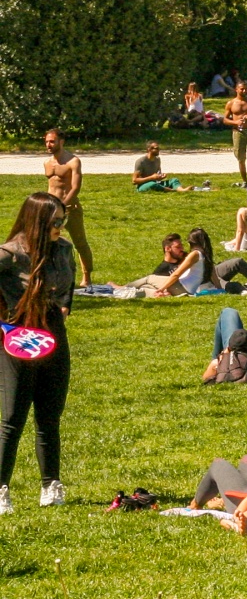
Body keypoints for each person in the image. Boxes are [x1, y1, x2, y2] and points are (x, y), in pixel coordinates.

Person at [0, 192, 76, 511]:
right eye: (55, 222)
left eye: (63, 220)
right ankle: (1, 489)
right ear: (37, 222)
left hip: (52, 334)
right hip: (18, 336)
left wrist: (64, 308)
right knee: (13, 417)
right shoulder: (10, 254)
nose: (60, 227)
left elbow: (68, 289)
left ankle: (50, 485)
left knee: (49, 416)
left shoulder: (63, 250)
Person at [40, 131, 90, 287]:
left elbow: (75, 188)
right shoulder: (47, 163)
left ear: (61, 142)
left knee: (80, 243)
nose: (49, 145)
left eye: (52, 141)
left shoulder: (73, 161)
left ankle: (87, 278)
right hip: (51, 210)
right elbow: (51, 186)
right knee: (44, 242)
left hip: (70, 208)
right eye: (47, 141)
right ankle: (46, 277)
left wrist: (62, 206)